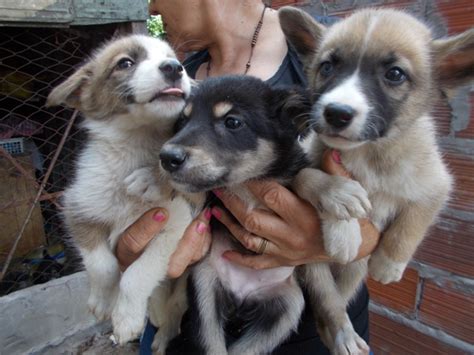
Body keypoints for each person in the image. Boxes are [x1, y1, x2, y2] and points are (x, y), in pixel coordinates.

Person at [116, 1, 380, 353]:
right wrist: (134, 250)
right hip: (189, 324)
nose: (150, 10)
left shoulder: (326, 50)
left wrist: (346, 239)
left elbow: (390, 195)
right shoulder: (178, 76)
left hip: (309, 334)